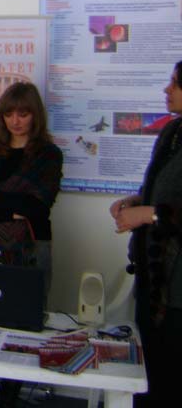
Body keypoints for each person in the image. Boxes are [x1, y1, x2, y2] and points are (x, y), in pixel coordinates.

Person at [0, 82, 63, 408]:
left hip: (28, 250)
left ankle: (9, 399)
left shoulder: (48, 155)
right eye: (9, 114)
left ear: (35, 115)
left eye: (23, 113)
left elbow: (38, 207)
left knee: (20, 327)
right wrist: (11, 209)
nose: (15, 121)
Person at [110, 61, 182, 407]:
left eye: (175, 84)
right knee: (148, 373)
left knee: (171, 376)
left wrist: (149, 214)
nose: (167, 90)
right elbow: (166, 193)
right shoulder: (173, 132)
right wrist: (137, 201)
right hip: (153, 279)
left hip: (177, 287)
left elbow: (166, 209)